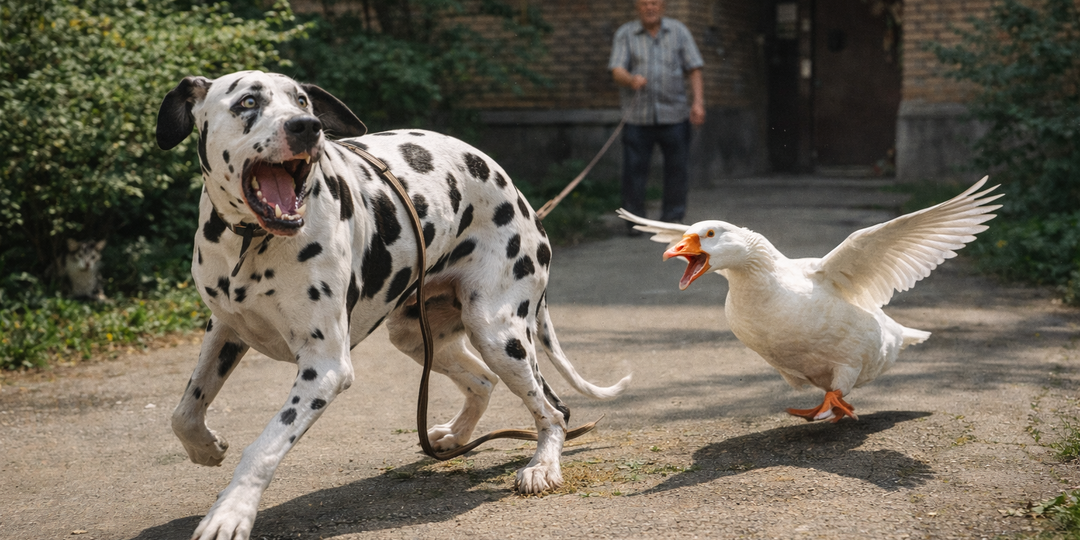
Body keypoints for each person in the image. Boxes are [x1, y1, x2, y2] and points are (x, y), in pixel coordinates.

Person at [609, 0, 705, 235]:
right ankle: (635, 223)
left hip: (675, 115)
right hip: (638, 118)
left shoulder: (679, 31)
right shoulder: (626, 33)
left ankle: (672, 221)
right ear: (637, 7)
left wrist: (698, 103)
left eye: (654, 2)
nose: (649, 7)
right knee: (634, 172)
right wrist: (631, 80)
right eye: (644, 3)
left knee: (677, 170)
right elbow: (616, 69)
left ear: (663, 6)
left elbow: (694, 68)